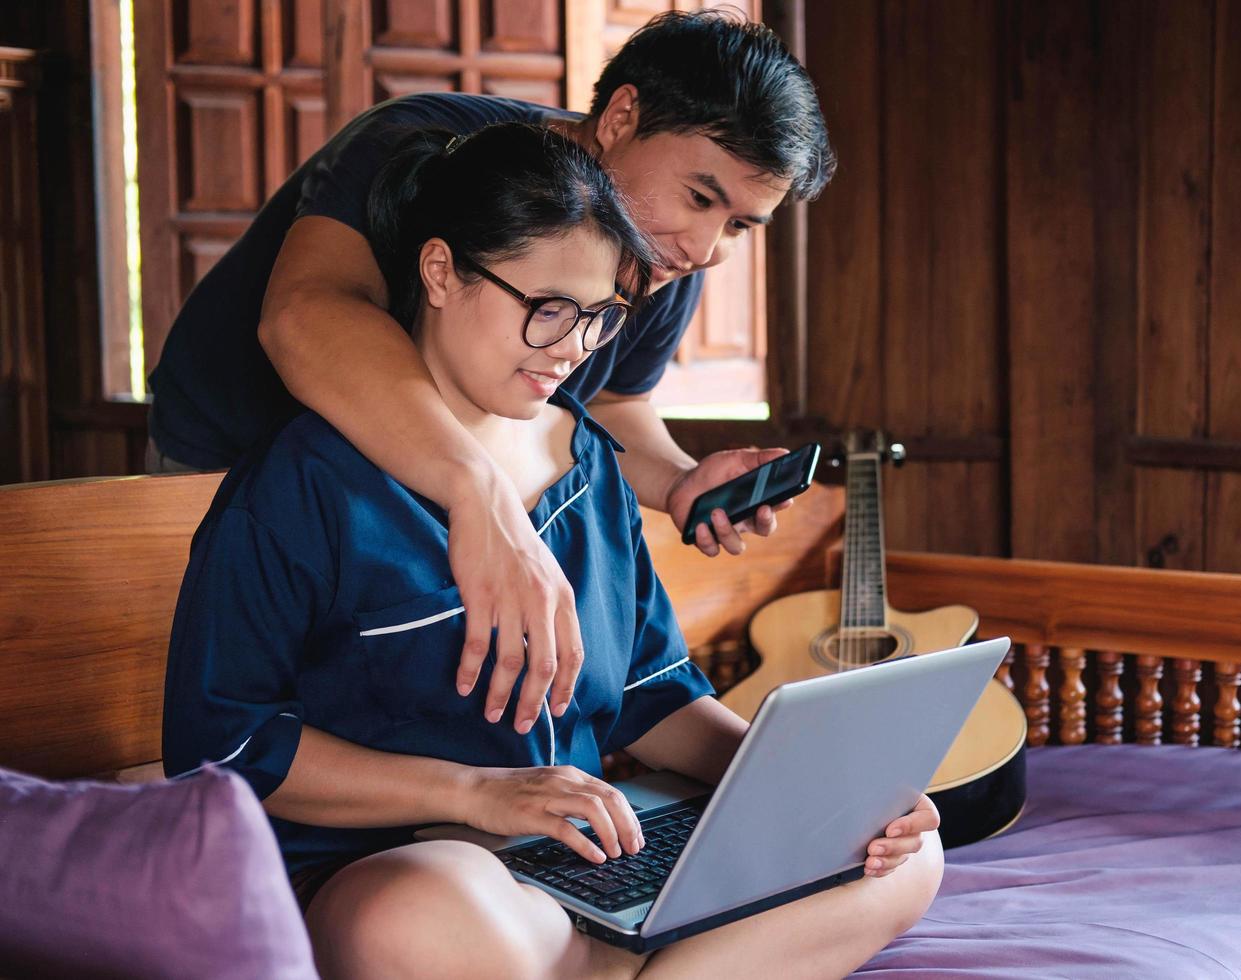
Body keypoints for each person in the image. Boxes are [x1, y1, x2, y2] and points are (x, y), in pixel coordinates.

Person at [162, 123, 939, 980]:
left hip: (580, 862)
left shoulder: (591, 465)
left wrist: (811, 788)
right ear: (441, 273)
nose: (572, 348)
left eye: (600, 318)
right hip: (413, 868)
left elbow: (652, 696)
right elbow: (224, 746)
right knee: (414, 918)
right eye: (548, 310)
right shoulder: (303, 483)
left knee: (903, 861)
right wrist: (473, 795)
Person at [145, 11, 836, 737]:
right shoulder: (417, 146)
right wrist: (480, 493)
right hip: (232, 453)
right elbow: (307, 318)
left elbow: (615, 401)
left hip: (430, 490)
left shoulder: (664, 258)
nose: (703, 246)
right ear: (623, 115)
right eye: (700, 196)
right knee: (230, 704)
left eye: (738, 226)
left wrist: (675, 482)